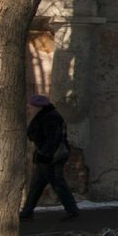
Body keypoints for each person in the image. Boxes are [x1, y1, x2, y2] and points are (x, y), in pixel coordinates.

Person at [19, 94, 80, 222]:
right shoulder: (42, 116)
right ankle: (27, 211)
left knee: (58, 184)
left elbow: (53, 138)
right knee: (37, 184)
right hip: (45, 156)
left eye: (31, 107)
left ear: (39, 107)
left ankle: (72, 210)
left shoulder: (50, 118)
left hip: (52, 157)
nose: (29, 109)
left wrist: (46, 154)